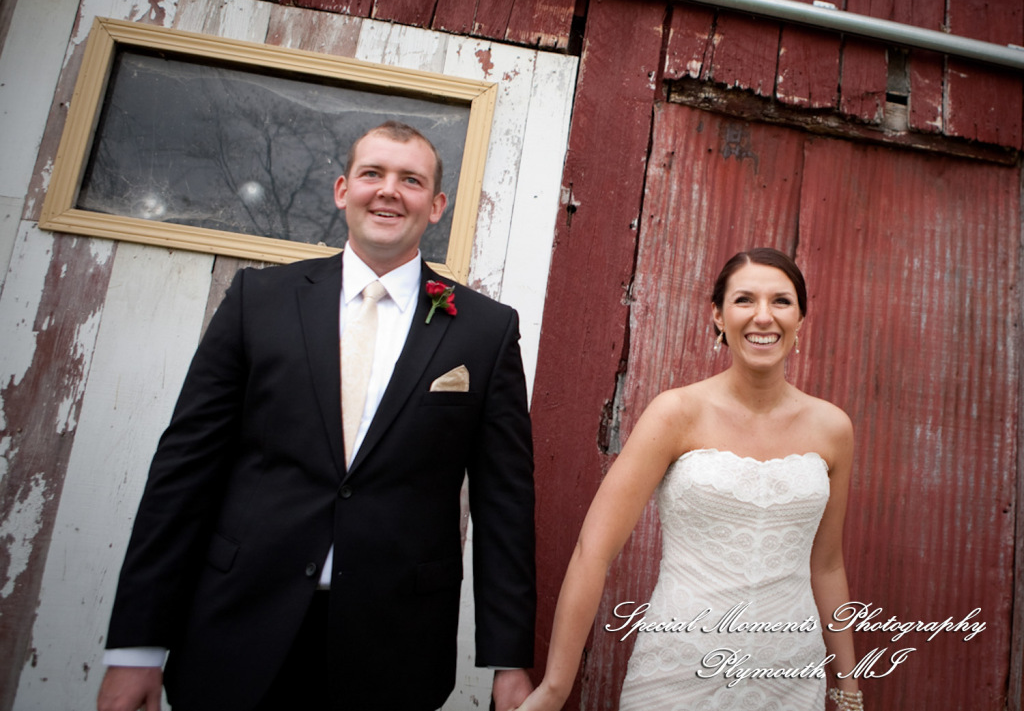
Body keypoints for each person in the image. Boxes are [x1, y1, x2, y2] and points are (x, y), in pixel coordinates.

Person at [96, 121, 536, 711]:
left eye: (410, 180)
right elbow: (182, 474)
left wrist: (509, 662)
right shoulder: (259, 301)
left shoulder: (485, 330)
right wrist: (136, 651)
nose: (388, 191)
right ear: (341, 189)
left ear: (435, 207)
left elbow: (504, 502)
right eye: (372, 174)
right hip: (236, 628)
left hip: (393, 648)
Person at [517, 248, 863, 711]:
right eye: (744, 300)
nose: (764, 317)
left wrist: (848, 691)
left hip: (789, 679)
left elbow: (827, 566)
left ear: (801, 318)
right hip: (679, 674)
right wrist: (555, 688)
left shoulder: (832, 428)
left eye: (781, 301)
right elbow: (592, 551)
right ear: (718, 315)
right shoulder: (676, 414)